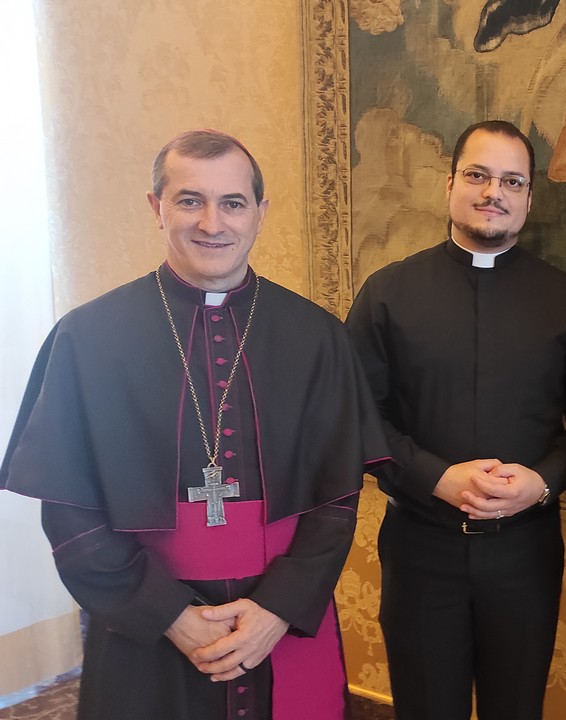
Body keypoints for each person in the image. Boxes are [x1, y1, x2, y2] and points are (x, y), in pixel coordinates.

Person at [0, 129, 390, 720]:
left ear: (259, 212)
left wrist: (278, 609)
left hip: (278, 622)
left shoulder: (317, 338)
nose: (213, 223)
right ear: (156, 207)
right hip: (146, 628)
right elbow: (69, 512)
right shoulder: (88, 339)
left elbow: (336, 499)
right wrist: (168, 615)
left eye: (232, 202)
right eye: (190, 200)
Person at [345, 120, 566, 720]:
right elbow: (355, 417)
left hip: (525, 554)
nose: (493, 192)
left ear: (529, 198)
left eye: (512, 181)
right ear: (450, 183)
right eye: (478, 175)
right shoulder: (387, 293)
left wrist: (543, 482)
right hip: (421, 549)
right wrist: (435, 477)